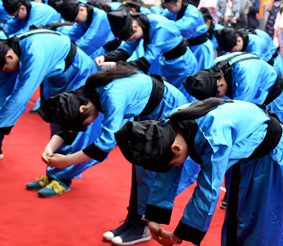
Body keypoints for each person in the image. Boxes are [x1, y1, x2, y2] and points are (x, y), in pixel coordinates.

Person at [114, 98, 283, 246]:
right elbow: (166, 173)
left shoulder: (212, 137)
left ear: (176, 148)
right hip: (244, 150)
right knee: (236, 218)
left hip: (269, 154)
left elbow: (208, 190)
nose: (174, 166)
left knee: (256, 223)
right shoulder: (169, 126)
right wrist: (153, 218)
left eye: (174, 160)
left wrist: (180, 235)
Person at [39, 63, 193, 234]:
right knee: (141, 168)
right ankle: (135, 219)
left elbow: (106, 143)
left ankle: (140, 225)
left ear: (83, 109)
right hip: (149, 112)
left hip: (168, 110)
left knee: (152, 170)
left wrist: (66, 161)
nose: (87, 125)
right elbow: (72, 126)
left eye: (84, 123)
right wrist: (50, 147)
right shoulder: (87, 91)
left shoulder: (111, 96)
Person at [0, 29, 98, 163]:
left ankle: (63, 178)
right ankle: (53, 174)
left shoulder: (33, 53)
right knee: (57, 121)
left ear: (9, 57)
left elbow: (21, 96)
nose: (6, 72)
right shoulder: (12, 46)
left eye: (6, 68)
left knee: (71, 124)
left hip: (80, 76)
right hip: (57, 77)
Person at [100, 7, 201, 95]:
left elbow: (147, 60)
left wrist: (115, 66)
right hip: (167, 62)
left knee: (184, 94)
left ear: (134, 26)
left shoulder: (160, 27)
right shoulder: (140, 22)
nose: (134, 40)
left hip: (182, 63)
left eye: (133, 37)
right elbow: (127, 49)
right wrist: (105, 57)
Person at [184, 51, 283, 121]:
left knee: (273, 133)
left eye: (217, 96)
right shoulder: (216, 65)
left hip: (277, 100)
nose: (218, 98)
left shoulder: (244, 77)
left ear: (221, 85)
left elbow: (239, 114)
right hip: (256, 92)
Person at [158, 0, 214, 70]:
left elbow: (181, 27)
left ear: (179, 1)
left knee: (201, 77)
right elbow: (160, 20)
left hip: (200, 49)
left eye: (169, 7)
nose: (167, 10)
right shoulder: (170, 12)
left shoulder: (192, 13)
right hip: (187, 50)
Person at [213, 26, 283, 75]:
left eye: (233, 50)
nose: (233, 53)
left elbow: (255, 69)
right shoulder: (240, 36)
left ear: (239, 40)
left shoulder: (256, 45)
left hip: (273, 67)